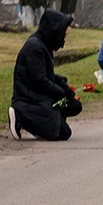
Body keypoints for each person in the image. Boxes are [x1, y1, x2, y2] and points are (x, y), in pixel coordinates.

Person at [9, 9, 82, 141]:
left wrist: (63, 84)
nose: (64, 39)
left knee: (74, 105)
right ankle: (19, 115)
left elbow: (46, 74)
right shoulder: (35, 47)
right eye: (64, 35)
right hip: (28, 98)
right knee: (63, 133)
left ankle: (47, 122)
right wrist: (61, 92)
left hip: (38, 95)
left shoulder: (44, 45)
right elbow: (39, 80)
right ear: (55, 31)